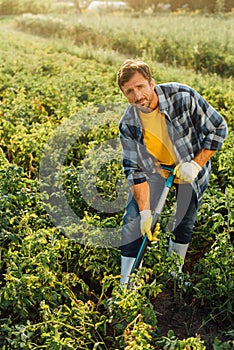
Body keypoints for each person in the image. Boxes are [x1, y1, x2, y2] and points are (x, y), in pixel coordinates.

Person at [117, 59, 228, 285]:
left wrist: (195, 164)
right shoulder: (128, 124)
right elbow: (134, 170)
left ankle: (174, 272)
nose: (137, 96)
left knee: (184, 221)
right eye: (129, 91)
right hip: (156, 172)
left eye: (140, 87)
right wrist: (146, 214)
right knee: (133, 220)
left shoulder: (182, 97)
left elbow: (219, 128)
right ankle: (125, 283)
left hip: (189, 170)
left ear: (151, 83)